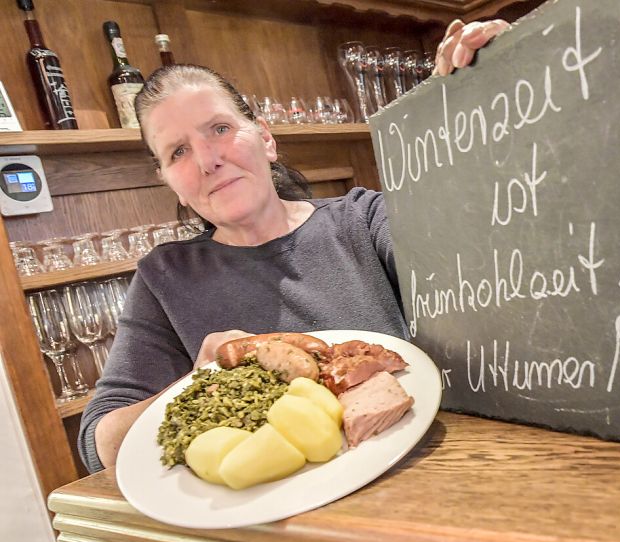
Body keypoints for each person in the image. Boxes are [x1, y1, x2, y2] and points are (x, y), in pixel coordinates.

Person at [78, 19, 509, 474]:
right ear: (168, 181)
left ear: (265, 138)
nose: (207, 160)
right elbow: (98, 446)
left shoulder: (362, 218)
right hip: (274, 520)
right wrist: (197, 382)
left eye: (220, 128)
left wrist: (469, 102)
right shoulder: (165, 275)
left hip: (418, 468)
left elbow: (472, 263)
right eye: (177, 152)